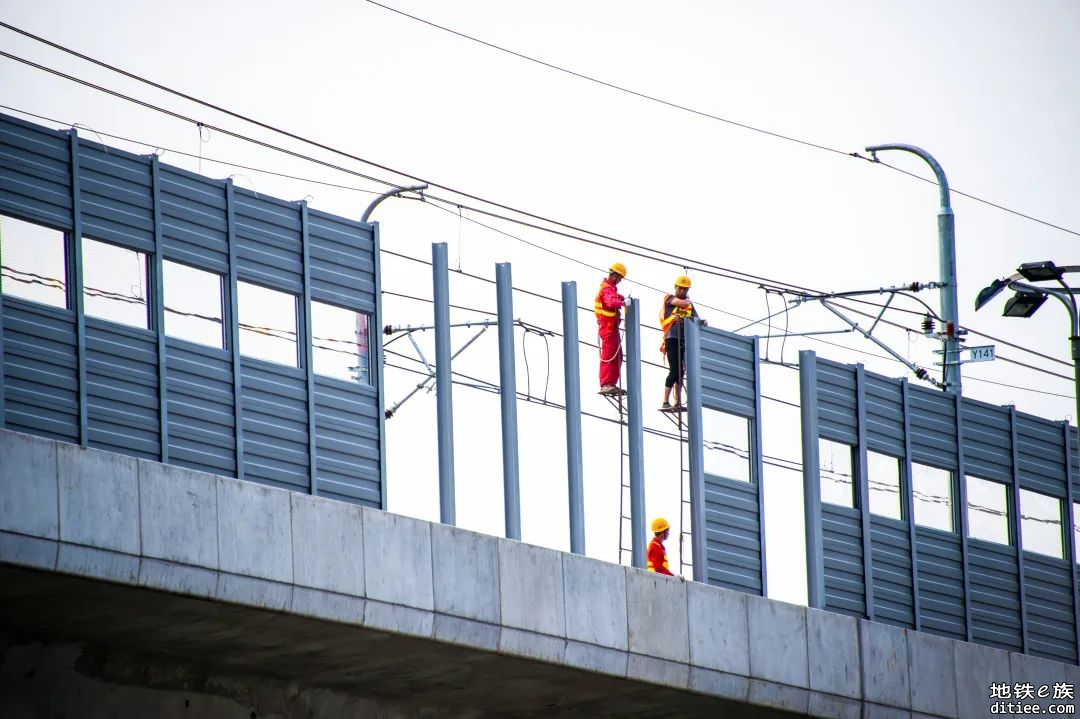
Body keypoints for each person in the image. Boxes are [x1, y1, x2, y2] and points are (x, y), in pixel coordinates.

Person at [659, 275, 706, 410]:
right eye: (681, 288)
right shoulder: (669, 299)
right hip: (672, 339)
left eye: (685, 289)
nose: (683, 291)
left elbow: (696, 318)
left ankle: (677, 402)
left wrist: (701, 322)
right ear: (676, 288)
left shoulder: (689, 306)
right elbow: (683, 304)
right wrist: (687, 301)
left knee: (680, 372)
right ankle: (665, 401)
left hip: (684, 340)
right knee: (674, 370)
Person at [595, 262, 627, 395]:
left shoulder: (611, 289)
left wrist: (622, 298)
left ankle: (611, 383)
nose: (620, 281)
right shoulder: (606, 289)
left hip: (612, 328)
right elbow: (610, 302)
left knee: (618, 355)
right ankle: (606, 383)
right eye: (619, 277)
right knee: (608, 354)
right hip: (608, 328)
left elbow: (614, 298)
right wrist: (623, 303)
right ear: (614, 275)